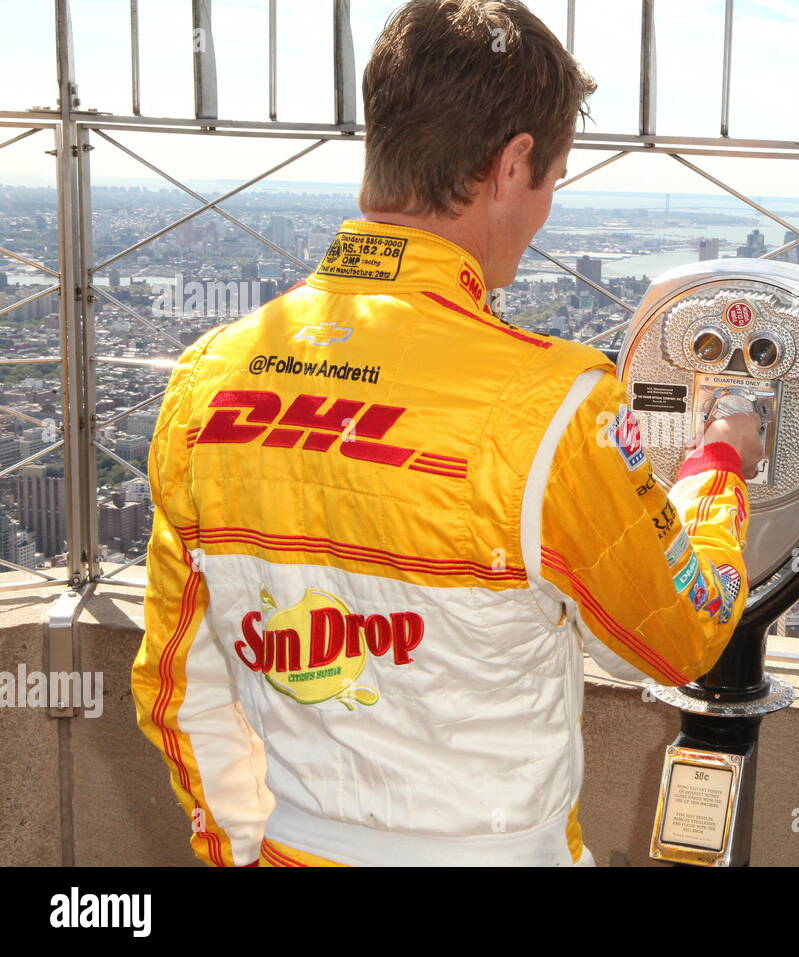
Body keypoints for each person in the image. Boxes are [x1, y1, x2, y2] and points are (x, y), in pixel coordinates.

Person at [130, 0, 763, 867]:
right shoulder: (553, 401)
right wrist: (719, 465)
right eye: (549, 181)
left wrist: (245, 848)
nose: (542, 212)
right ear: (511, 166)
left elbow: (178, 683)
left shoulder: (207, 380)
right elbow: (681, 632)